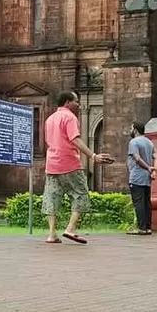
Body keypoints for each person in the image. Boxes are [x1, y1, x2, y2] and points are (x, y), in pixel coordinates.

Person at [43, 91, 114, 244]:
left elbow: (48, 141)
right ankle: (70, 228)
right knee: (81, 194)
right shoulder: (69, 117)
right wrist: (93, 156)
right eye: (76, 101)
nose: (78, 104)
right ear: (67, 102)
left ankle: (51, 234)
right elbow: (75, 139)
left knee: (52, 197)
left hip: (51, 164)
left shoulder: (50, 119)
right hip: (69, 163)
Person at [126, 121, 157, 235]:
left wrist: (148, 168)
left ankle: (141, 228)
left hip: (136, 177)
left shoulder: (133, 142)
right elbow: (156, 156)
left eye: (131, 128)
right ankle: (148, 227)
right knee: (146, 203)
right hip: (146, 178)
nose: (130, 130)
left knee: (138, 203)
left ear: (135, 130)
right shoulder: (149, 142)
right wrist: (154, 169)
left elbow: (137, 158)